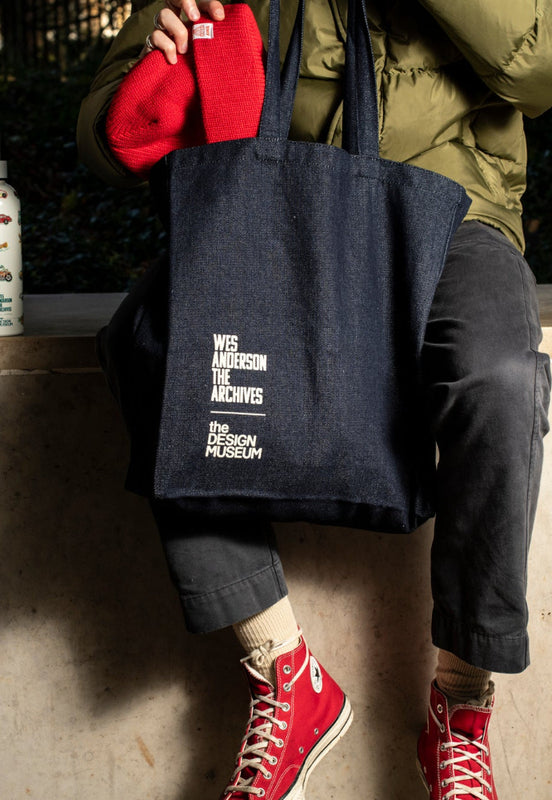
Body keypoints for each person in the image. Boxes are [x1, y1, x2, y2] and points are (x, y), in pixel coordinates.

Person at [77, 1, 552, 798]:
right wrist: (162, 71)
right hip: (279, 213)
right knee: (148, 344)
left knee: (500, 372)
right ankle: (285, 673)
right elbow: (104, 136)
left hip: (455, 218)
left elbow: (538, 69)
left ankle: (461, 707)